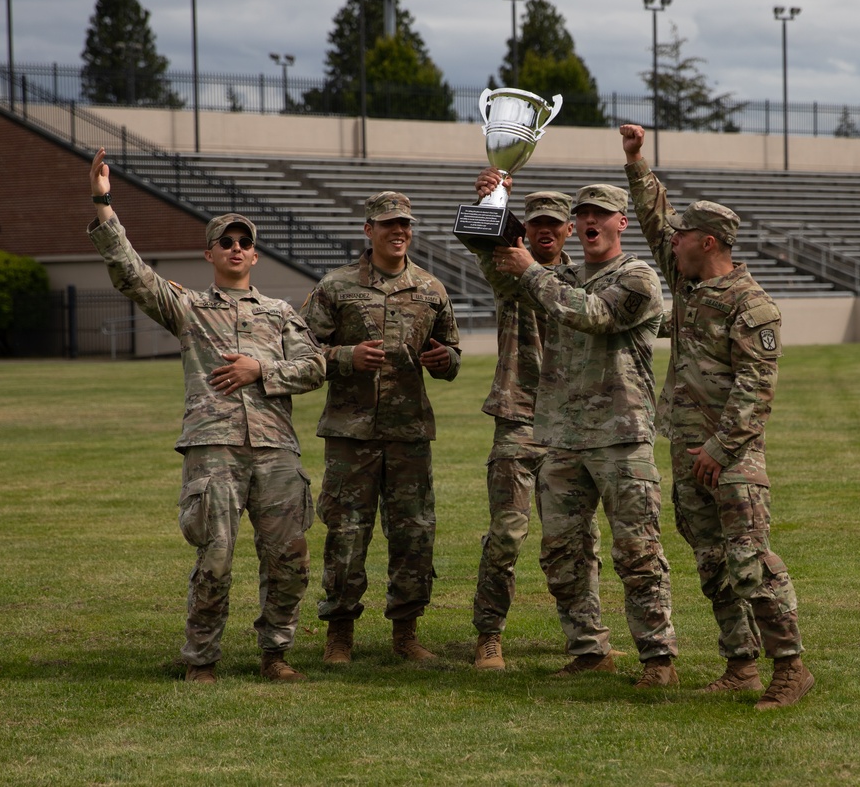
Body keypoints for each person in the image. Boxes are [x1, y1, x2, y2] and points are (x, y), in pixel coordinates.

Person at [86, 148, 327, 684]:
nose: (237, 248)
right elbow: (131, 274)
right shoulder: (189, 307)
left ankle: (276, 653)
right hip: (213, 448)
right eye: (227, 242)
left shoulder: (281, 313)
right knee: (215, 559)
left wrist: (258, 370)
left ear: (255, 256)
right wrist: (104, 203)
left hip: (276, 450)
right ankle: (202, 658)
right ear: (210, 254)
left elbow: (314, 368)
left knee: (290, 559)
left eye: (245, 242)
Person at [621, 123, 814, 710]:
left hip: (730, 460)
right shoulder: (688, 284)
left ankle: (791, 668)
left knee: (750, 561)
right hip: (691, 455)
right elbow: (656, 222)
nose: (671, 243)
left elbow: (757, 391)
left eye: (683, 236)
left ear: (707, 241)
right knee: (712, 566)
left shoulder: (751, 305)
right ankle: (740, 666)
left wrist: (720, 450)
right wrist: (636, 163)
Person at [492, 182, 679, 686]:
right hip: (562, 436)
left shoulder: (637, 277)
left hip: (621, 436)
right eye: (585, 214)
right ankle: (589, 649)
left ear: (622, 222)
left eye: (603, 214)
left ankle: (658, 660)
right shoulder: (562, 275)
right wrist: (494, 207)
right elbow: (507, 279)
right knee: (563, 553)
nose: (592, 221)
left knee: (637, 551)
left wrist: (532, 272)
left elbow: (591, 314)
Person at [301, 191, 461, 665]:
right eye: (388, 224)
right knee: (346, 534)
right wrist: (346, 357)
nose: (398, 232)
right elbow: (300, 353)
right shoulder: (335, 287)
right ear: (368, 230)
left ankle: (406, 634)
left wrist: (444, 360)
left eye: (405, 224)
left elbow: (451, 355)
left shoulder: (431, 289)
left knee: (414, 535)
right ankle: (340, 635)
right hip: (351, 435)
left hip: (409, 433)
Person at [468, 171, 595, 671]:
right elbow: (484, 243)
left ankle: (587, 640)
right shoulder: (508, 269)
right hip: (519, 417)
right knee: (506, 533)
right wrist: (490, 199)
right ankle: (489, 636)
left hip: (572, 424)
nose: (546, 230)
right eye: (536, 222)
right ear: (526, 230)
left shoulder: (587, 281)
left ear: (568, 229)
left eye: (555, 223)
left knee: (577, 538)